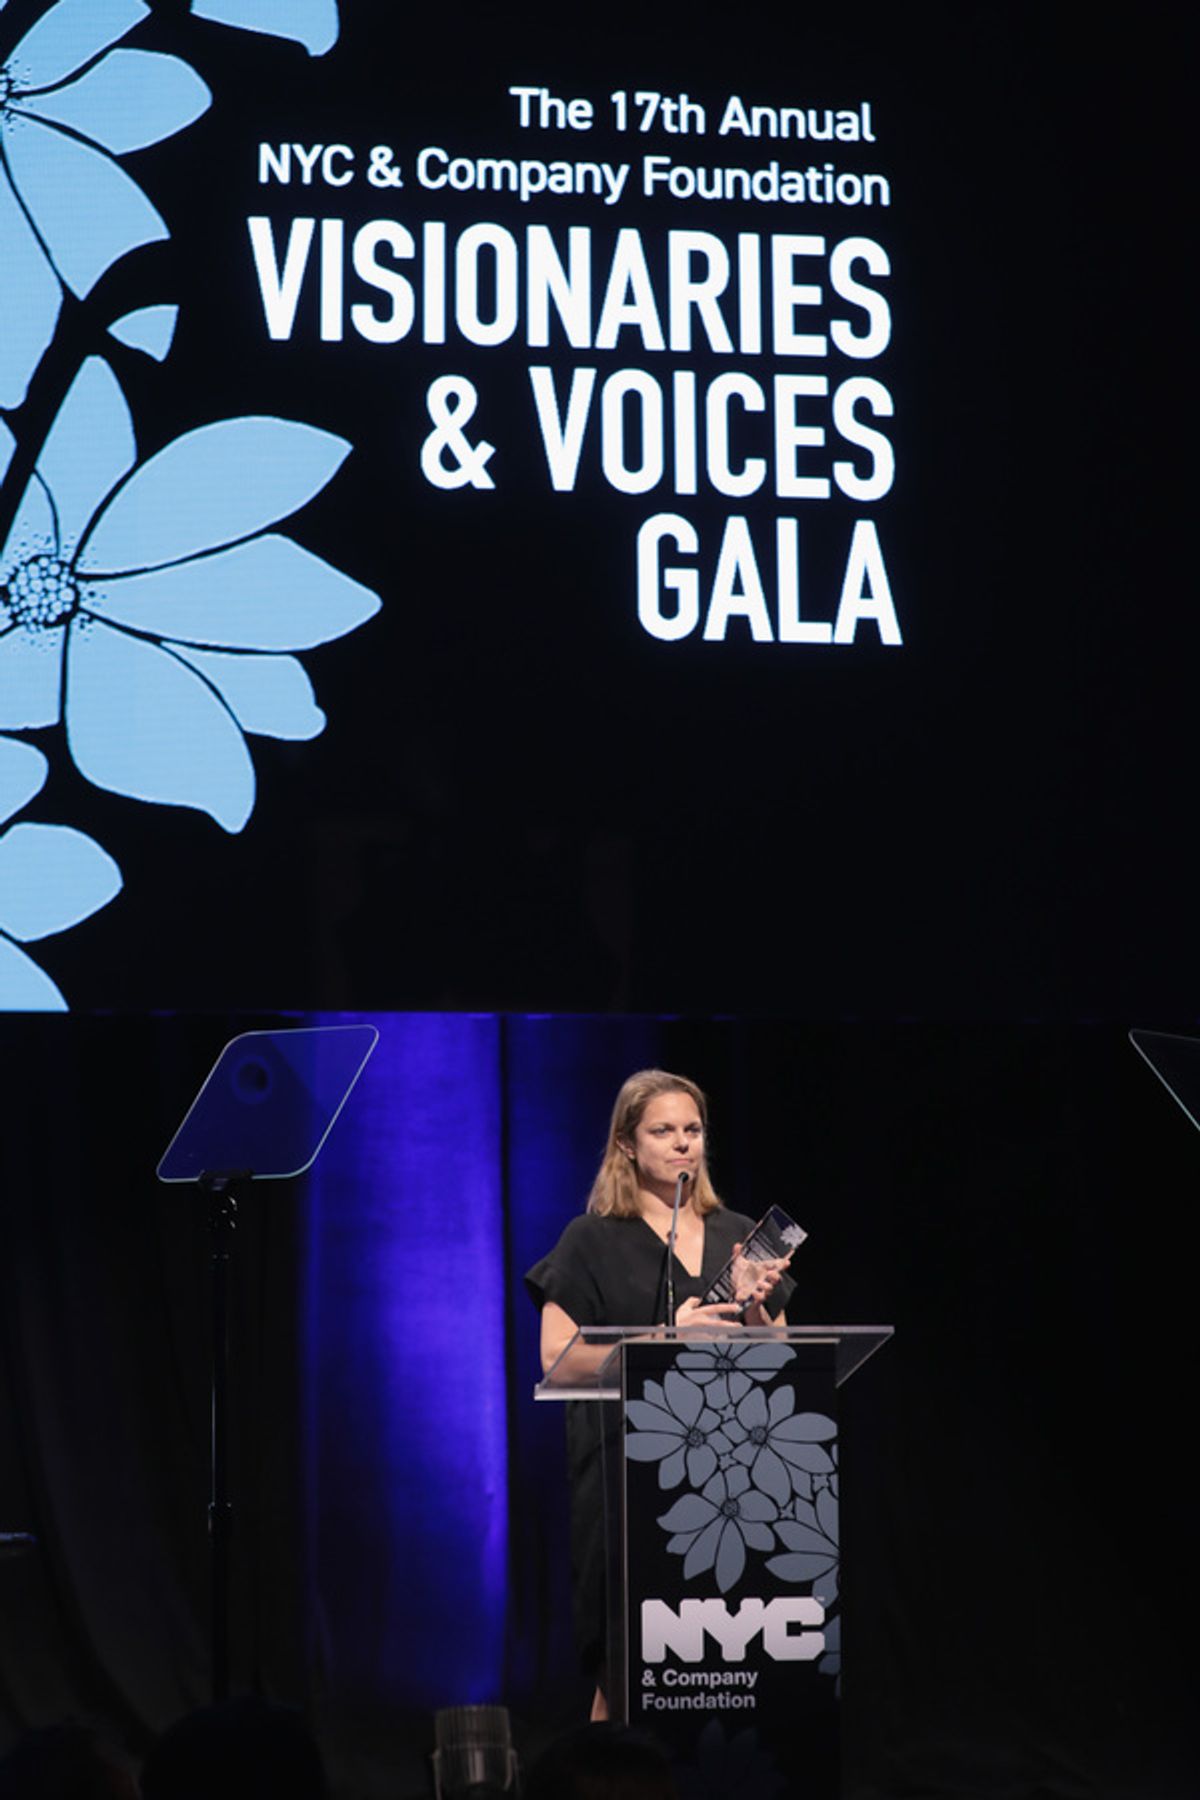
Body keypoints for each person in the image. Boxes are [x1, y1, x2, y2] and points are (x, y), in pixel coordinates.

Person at [525, 1068, 792, 1721]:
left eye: (693, 1130)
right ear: (626, 1144)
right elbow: (558, 1363)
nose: (682, 1144)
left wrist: (756, 1307)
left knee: (726, 1667)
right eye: (663, 1130)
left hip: (733, 1481)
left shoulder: (740, 1234)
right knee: (627, 1668)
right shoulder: (590, 1238)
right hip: (629, 1476)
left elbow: (784, 1358)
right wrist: (668, 1337)